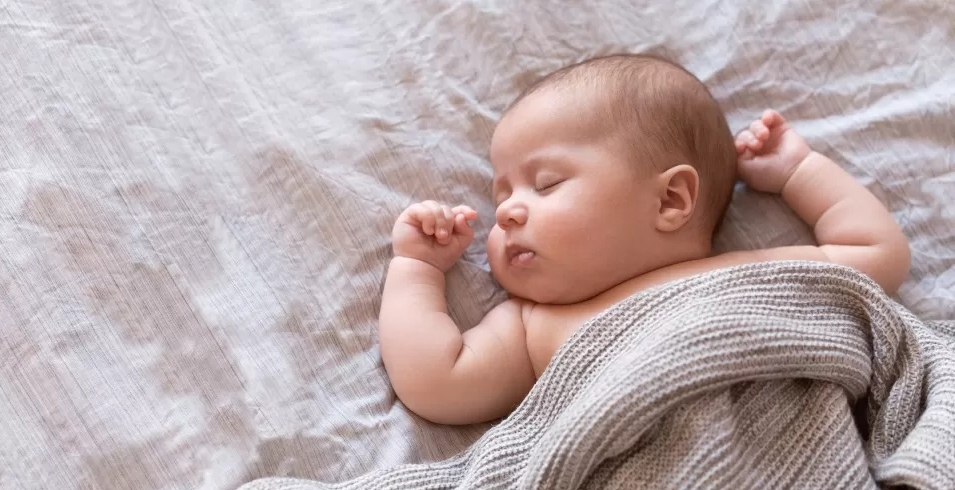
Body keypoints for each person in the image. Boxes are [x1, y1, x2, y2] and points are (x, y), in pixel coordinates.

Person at [379, 53, 910, 425]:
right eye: (500, 202)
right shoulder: (529, 329)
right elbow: (436, 384)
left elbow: (877, 254)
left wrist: (799, 172)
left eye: (547, 184)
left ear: (670, 201)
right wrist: (417, 269)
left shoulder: (753, 273)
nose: (510, 211)